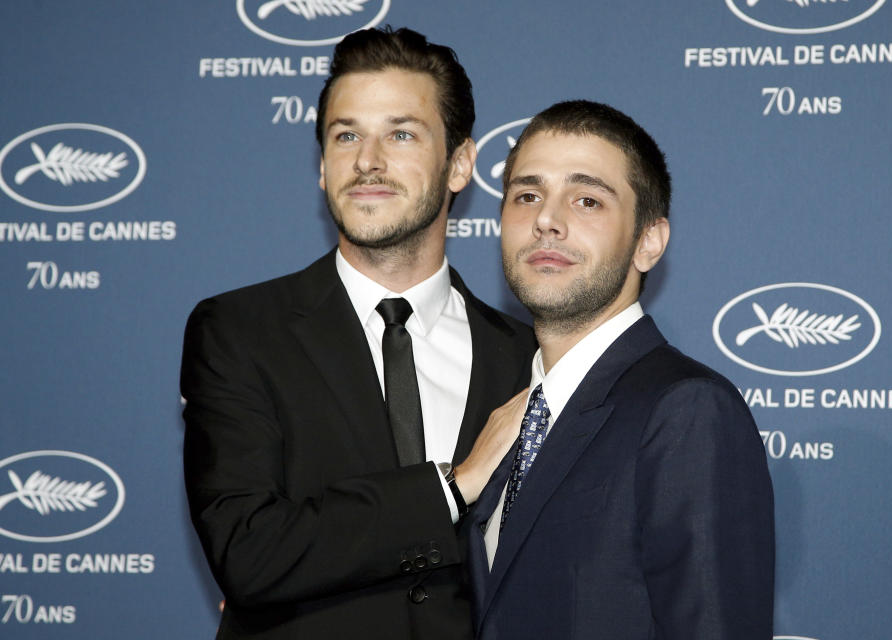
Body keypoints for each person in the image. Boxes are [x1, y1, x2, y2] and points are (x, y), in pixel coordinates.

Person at [181, 27, 535, 639]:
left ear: (459, 164)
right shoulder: (239, 333)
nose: (367, 161)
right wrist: (452, 489)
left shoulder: (527, 356)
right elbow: (249, 554)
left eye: (401, 134)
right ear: (322, 168)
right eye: (346, 136)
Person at [465, 100, 775, 640]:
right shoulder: (507, 415)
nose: (546, 220)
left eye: (587, 200)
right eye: (527, 195)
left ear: (648, 242)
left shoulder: (687, 411)